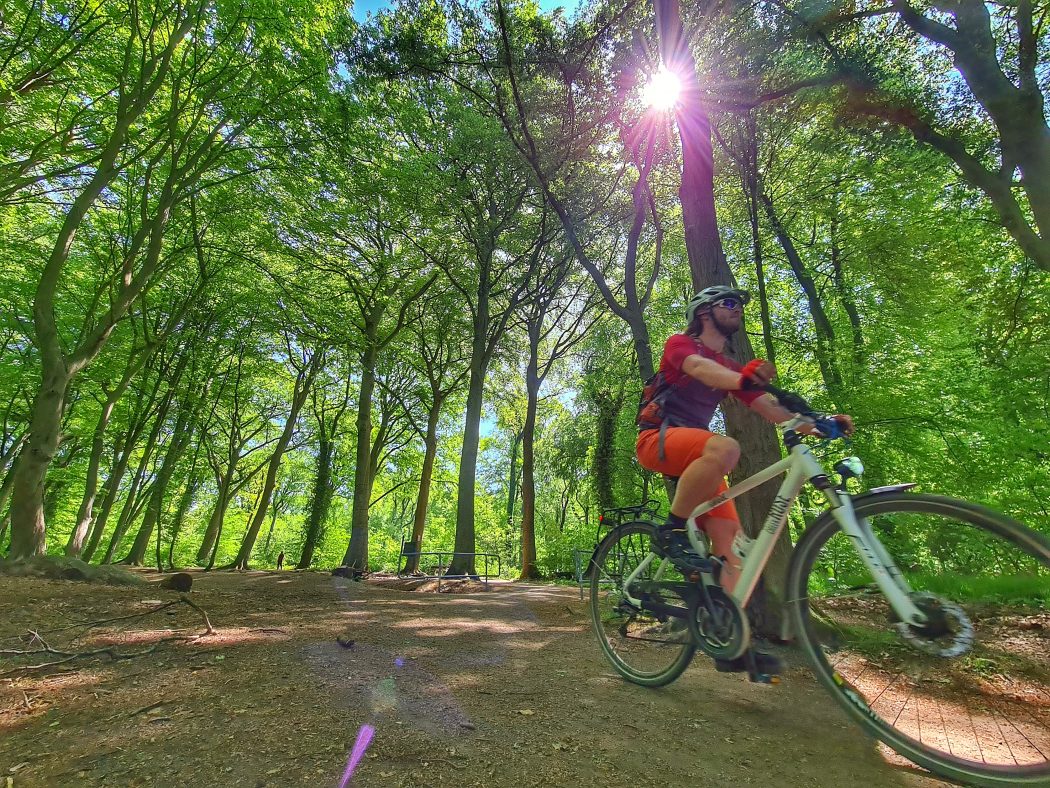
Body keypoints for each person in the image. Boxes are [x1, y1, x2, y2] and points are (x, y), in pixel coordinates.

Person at [636, 285, 854, 673]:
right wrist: (742, 380)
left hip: (700, 454)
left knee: (733, 552)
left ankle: (731, 646)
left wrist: (819, 424)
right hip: (659, 439)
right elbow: (704, 371)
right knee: (727, 449)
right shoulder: (679, 344)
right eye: (730, 304)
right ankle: (670, 531)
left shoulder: (734, 367)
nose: (738, 310)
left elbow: (771, 408)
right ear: (705, 312)